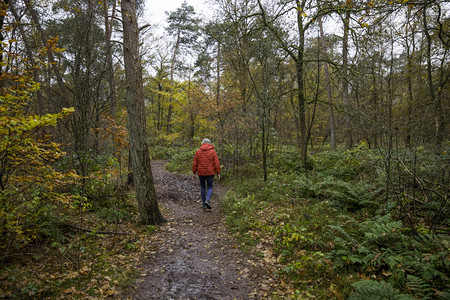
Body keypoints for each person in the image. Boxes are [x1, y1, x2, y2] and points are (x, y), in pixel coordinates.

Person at [192, 138, 221, 209]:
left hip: (201, 173)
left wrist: (194, 173)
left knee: (202, 187)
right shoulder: (213, 151)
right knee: (210, 187)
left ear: (202, 143)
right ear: (209, 143)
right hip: (210, 172)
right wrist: (218, 172)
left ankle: (204, 204)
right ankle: (207, 200)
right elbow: (216, 163)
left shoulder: (198, 151)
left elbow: (195, 163)